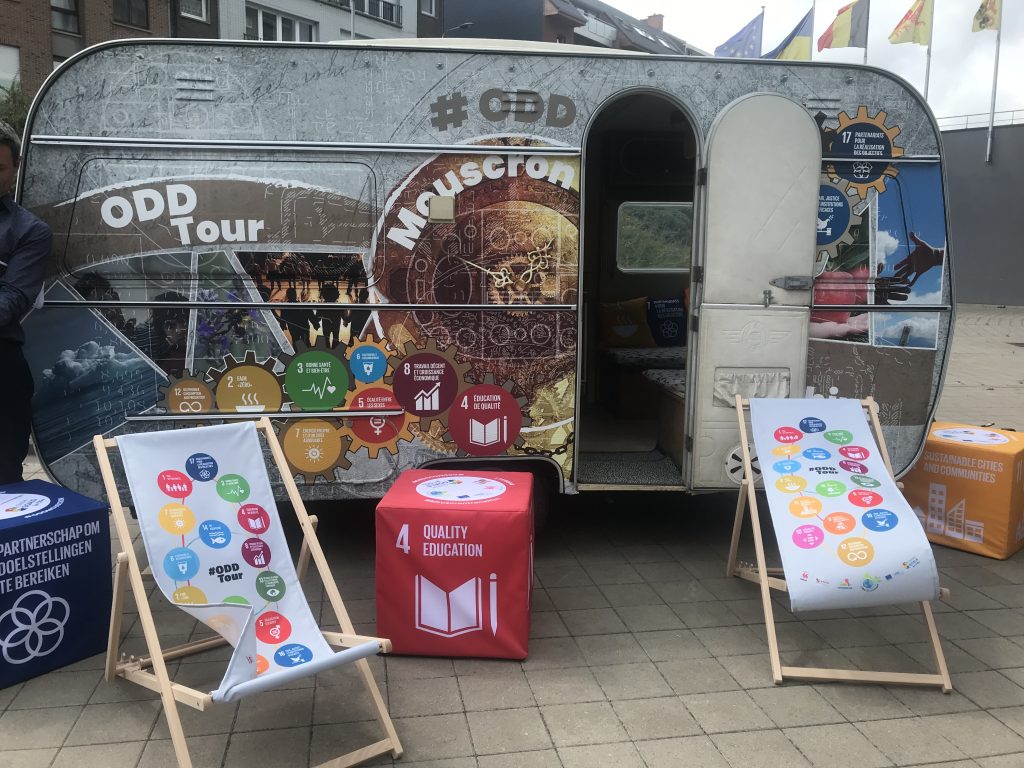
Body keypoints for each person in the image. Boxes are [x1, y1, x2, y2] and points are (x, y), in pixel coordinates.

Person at [0, 130, 53, 483]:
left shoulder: (30, 231)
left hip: (2, 368)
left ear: (16, 168)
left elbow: (11, 301)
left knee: (3, 480)